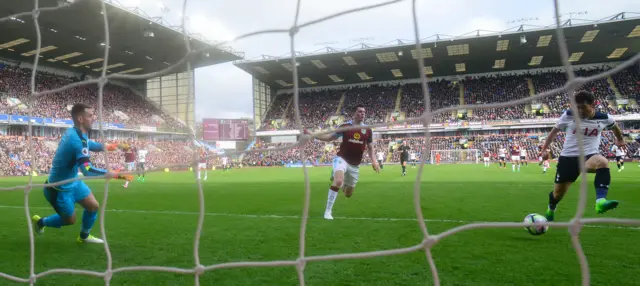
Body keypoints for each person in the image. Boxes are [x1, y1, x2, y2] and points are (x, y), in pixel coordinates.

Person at [31, 103, 130, 244]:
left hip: (73, 181)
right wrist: (116, 174)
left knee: (93, 206)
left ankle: (83, 237)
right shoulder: (75, 140)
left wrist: (110, 146)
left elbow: (89, 144)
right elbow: (88, 171)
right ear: (80, 119)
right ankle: (41, 222)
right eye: (90, 115)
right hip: (59, 188)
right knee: (70, 220)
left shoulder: (76, 133)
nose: (93, 118)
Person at [539, 91, 623, 221]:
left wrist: (620, 139)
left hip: (589, 156)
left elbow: (615, 127)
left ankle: (600, 202)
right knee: (558, 194)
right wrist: (544, 149)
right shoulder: (568, 115)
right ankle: (551, 208)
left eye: (582, 107)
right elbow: (553, 132)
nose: (579, 110)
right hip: (568, 158)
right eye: (577, 107)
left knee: (603, 162)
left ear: (592, 105)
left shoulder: (605, 118)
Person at [305, 104, 380, 220]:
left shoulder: (368, 130)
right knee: (338, 181)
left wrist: (374, 162)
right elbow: (330, 138)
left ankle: (340, 179)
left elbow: (370, 148)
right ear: (354, 113)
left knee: (348, 194)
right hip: (342, 159)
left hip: (354, 165)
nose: (362, 114)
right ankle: (328, 212)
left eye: (364, 112)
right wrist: (313, 135)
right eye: (360, 112)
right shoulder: (345, 126)